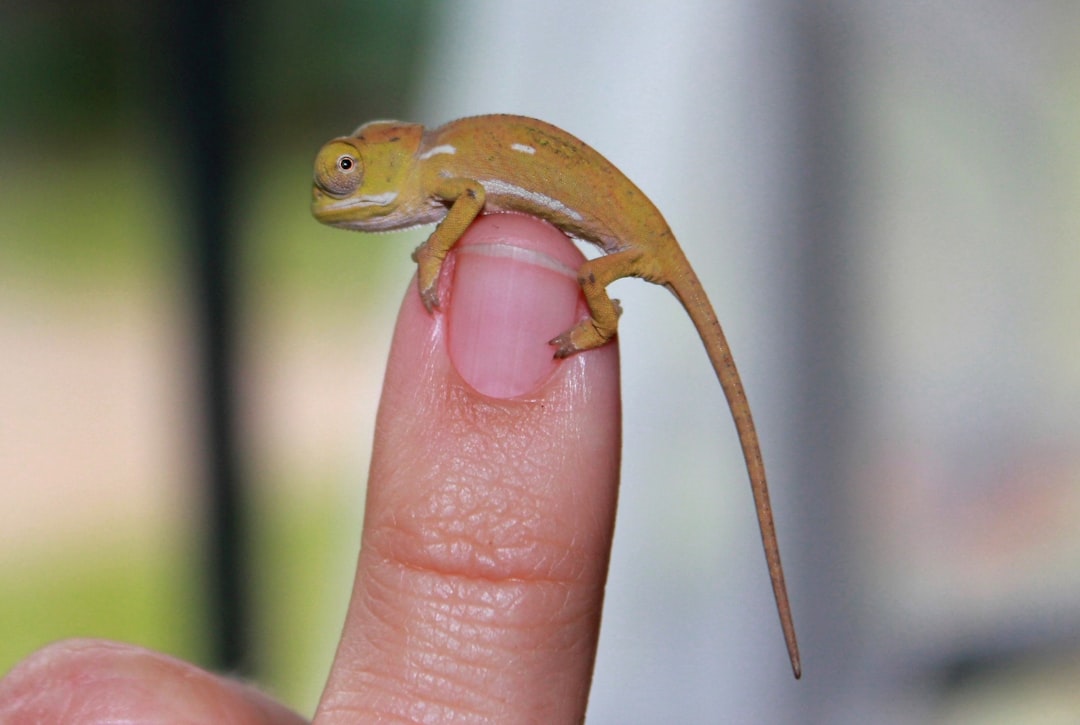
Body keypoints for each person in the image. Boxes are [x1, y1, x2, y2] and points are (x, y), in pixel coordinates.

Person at [0, 213, 622, 723]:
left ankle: (601, 316)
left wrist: (437, 251)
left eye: (349, 171)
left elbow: (470, 198)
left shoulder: (447, 175)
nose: (335, 197)